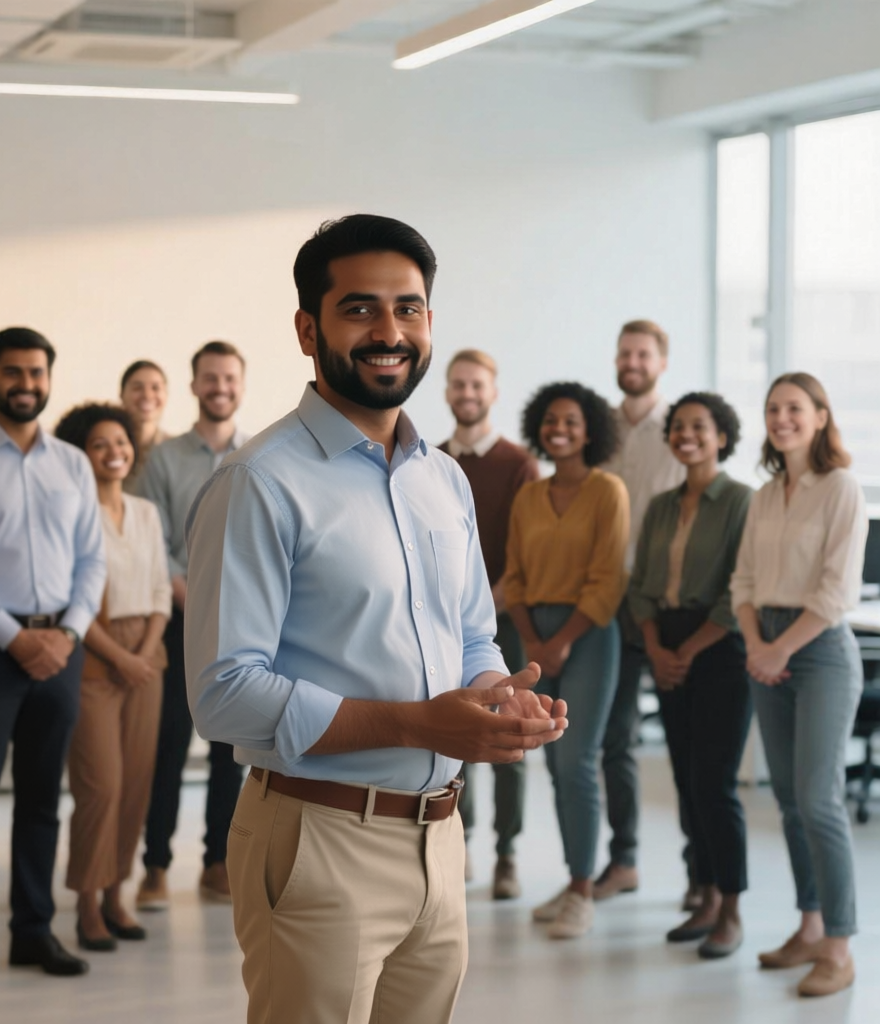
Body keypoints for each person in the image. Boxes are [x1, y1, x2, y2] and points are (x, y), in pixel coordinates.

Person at [185, 214, 568, 1024]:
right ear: (307, 328)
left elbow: (469, 634)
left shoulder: (442, 480)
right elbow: (223, 694)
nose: (388, 331)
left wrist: (499, 697)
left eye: (410, 309)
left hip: (439, 840)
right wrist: (422, 725)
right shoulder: (259, 481)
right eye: (359, 309)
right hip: (318, 839)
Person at [0, 327, 106, 988]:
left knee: (42, 800)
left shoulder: (72, 463)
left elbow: (92, 558)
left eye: (37, 372)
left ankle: (33, 932)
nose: (26, 384)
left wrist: (68, 633)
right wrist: (16, 638)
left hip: (63, 648)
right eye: (13, 373)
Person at [731, 372, 867, 998]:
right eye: (772, 409)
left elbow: (836, 593)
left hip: (820, 654)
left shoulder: (840, 488)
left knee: (818, 799)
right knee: (787, 801)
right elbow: (745, 584)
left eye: (794, 408)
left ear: (819, 416)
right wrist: (758, 644)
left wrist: (778, 648)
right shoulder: (765, 496)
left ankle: (839, 946)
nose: (781, 418)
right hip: (767, 648)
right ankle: (809, 926)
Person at [628, 392, 753, 958]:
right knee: (684, 778)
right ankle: (700, 890)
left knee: (715, 782)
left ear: (721, 436)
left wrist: (691, 648)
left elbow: (738, 588)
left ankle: (730, 906)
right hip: (668, 641)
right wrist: (658, 646)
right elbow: (642, 586)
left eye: (699, 427)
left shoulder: (741, 502)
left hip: (720, 646)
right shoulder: (659, 505)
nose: (687, 435)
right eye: (678, 427)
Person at [505, 381, 628, 939]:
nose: (560, 428)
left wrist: (562, 639)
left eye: (572, 421)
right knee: (552, 764)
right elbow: (516, 576)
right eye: (551, 419)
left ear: (590, 430)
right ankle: (572, 876)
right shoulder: (530, 495)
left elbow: (608, 579)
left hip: (590, 633)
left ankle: (584, 890)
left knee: (577, 758)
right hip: (535, 633)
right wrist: (533, 638)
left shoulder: (608, 491)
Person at [136, 340, 249, 907]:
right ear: (195, 385)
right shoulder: (163, 460)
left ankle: (218, 864)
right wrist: (192, 597)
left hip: (242, 628)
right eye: (210, 378)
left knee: (232, 748)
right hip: (179, 622)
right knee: (169, 746)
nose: (220, 387)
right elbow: (150, 543)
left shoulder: (260, 455)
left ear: (240, 385)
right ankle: (155, 866)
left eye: (229, 378)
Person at [54, 403, 171, 951]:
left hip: (147, 658)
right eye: (100, 444)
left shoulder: (146, 512)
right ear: (80, 452)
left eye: (120, 442)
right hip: (93, 657)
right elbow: (71, 598)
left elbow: (158, 591)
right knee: (101, 786)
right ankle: (86, 901)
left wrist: (144, 653)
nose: (114, 452)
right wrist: (120, 658)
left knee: (136, 789)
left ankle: (116, 895)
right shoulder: (74, 513)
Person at [438, 348, 539, 899]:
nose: (467, 393)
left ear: (493, 392)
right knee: (457, 735)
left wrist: (484, 609)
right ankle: (462, 840)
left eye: (477, 385)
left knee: (510, 739)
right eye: (458, 384)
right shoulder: (428, 459)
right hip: (444, 628)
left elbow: (522, 553)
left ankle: (507, 853)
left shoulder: (518, 464)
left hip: (502, 622)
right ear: (448, 392)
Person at [596, 319, 687, 903]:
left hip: (668, 603)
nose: (632, 361)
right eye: (625, 352)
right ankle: (623, 858)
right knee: (614, 738)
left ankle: (701, 871)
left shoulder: (680, 428)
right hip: (608, 604)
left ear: (661, 362)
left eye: (643, 353)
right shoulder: (598, 428)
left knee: (685, 742)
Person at [119, 360, 171, 494]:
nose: (147, 395)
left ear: (166, 395)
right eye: (137, 388)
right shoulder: (111, 449)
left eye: (155, 388)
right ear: (121, 394)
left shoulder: (177, 450)